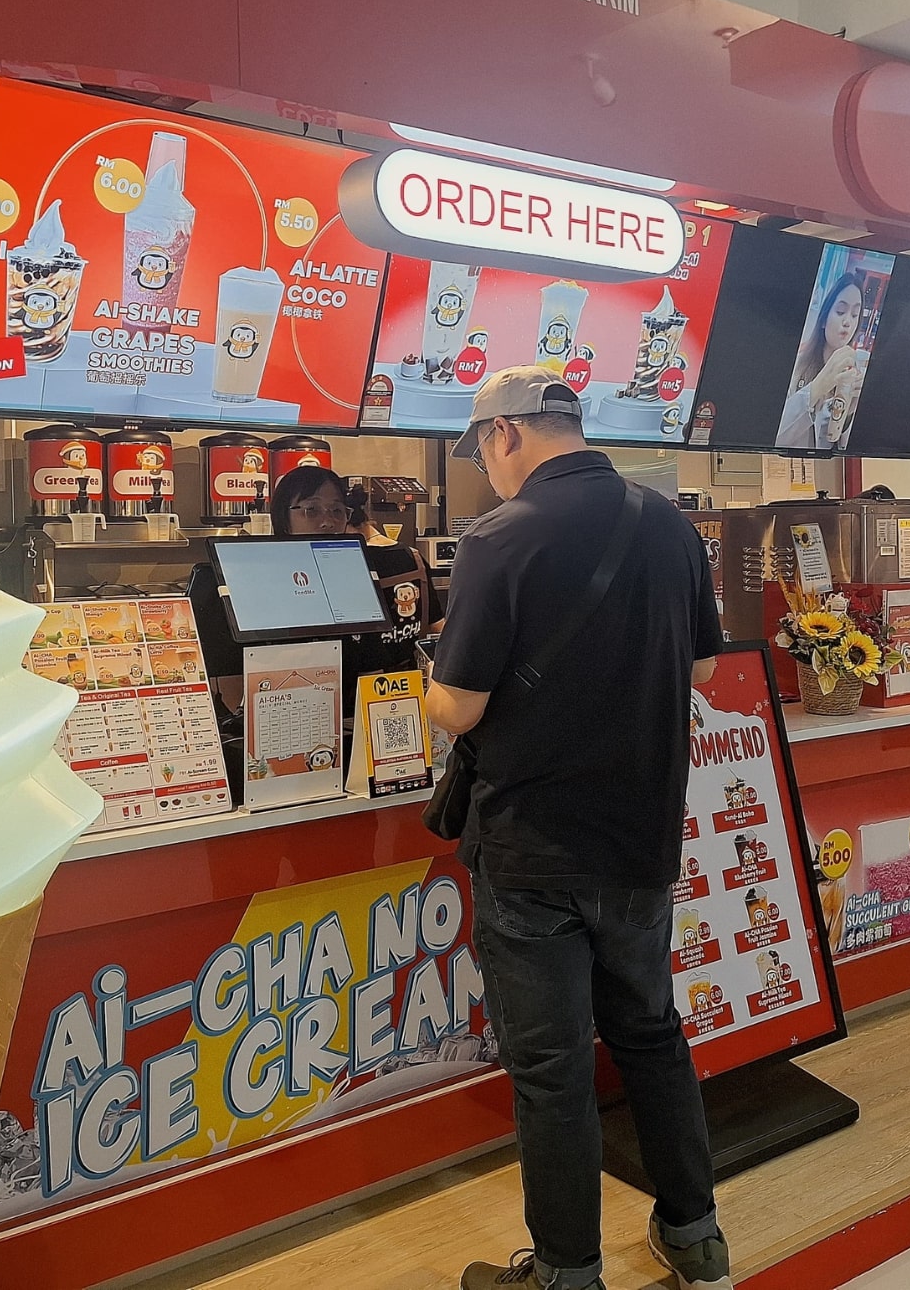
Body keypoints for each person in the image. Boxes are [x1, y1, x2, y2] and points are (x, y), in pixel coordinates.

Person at [425, 367, 729, 1290]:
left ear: (507, 433)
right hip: (641, 836)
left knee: (553, 1070)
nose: (485, 469)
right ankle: (696, 1239)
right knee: (652, 1036)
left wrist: (431, 682)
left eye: (482, 451)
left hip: (534, 847)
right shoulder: (669, 525)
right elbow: (703, 674)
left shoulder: (499, 538)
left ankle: (567, 1274)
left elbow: (458, 707)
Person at [269, 465, 442, 681]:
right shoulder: (266, 580)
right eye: (312, 509)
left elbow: (372, 667)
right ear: (283, 518)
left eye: (337, 510)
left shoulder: (355, 577)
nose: (328, 522)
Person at [775, 268, 867, 451]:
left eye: (855, 315)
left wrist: (850, 412)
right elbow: (773, 438)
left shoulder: (855, 374)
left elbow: (847, 451)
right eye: (840, 311)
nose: (847, 322)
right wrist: (818, 387)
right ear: (824, 319)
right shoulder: (795, 366)